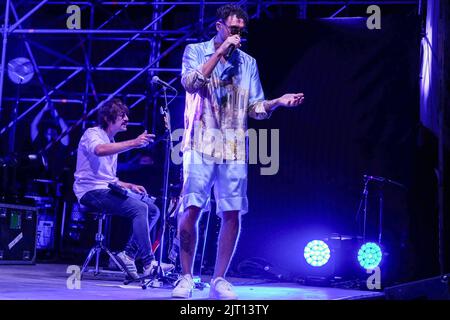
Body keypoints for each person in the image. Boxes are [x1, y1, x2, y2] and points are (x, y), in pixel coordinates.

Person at [173, 4, 305, 299]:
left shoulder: (248, 63)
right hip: (199, 141)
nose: (238, 35)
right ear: (219, 26)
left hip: (233, 145)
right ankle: (185, 276)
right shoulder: (195, 51)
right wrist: (219, 53)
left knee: (232, 212)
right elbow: (191, 84)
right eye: (233, 29)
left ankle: (219, 279)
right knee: (192, 208)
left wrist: (277, 102)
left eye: (241, 32)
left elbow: (255, 109)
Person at [73, 98, 174, 279]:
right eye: (122, 115)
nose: (126, 118)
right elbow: (99, 150)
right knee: (139, 208)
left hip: (104, 188)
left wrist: (128, 186)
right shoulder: (93, 133)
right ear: (108, 118)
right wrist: (134, 143)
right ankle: (148, 263)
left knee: (153, 210)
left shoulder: (111, 140)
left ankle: (128, 254)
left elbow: (109, 179)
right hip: (89, 191)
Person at [30, 102, 69, 179]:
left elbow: (65, 130)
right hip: (39, 177)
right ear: (45, 133)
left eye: (53, 130)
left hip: (55, 178)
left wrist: (55, 113)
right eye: (49, 130)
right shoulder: (39, 142)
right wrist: (43, 110)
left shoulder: (61, 144)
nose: (51, 131)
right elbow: (33, 125)